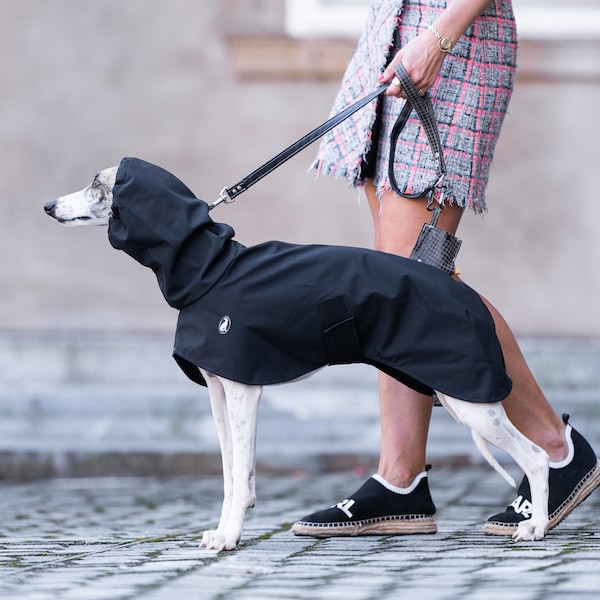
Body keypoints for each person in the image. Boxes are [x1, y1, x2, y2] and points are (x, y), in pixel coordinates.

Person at [291, 0, 600, 538]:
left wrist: (441, 36)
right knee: (397, 283)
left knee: (418, 282)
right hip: (389, 39)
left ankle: (557, 448)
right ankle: (399, 479)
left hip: (452, 44)